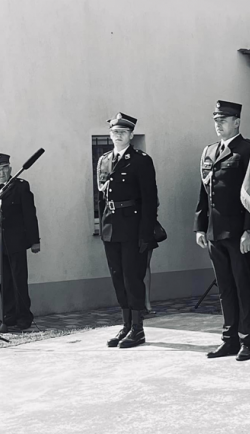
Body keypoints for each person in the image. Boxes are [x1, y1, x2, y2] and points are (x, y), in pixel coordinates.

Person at [194, 100, 250, 361]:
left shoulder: (247, 150)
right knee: (225, 288)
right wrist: (200, 227)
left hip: (237, 232)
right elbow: (203, 193)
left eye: (224, 119)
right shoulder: (209, 151)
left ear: (237, 122)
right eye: (216, 120)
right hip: (214, 233)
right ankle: (229, 339)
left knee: (243, 286)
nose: (218, 124)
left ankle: (247, 342)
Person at [97, 113, 158, 348]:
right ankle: (125, 326)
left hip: (133, 227)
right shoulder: (104, 160)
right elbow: (102, 197)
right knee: (117, 277)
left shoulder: (141, 160)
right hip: (111, 227)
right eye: (114, 132)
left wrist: (146, 233)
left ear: (131, 135)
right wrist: (102, 226)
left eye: (123, 132)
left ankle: (138, 329)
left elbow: (150, 200)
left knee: (132, 277)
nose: (118, 135)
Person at [0, 153, 41, 332]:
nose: (2, 172)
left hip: (16, 241)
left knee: (18, 280)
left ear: (10, 168)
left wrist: (34, 241)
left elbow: (29, 215)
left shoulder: (20, 186)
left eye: (5, 168)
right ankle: (8, 317)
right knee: (4, 281)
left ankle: (24, 317)